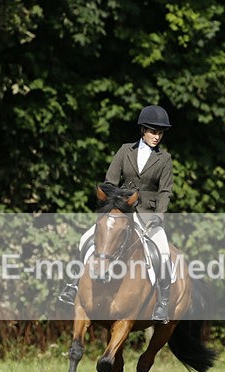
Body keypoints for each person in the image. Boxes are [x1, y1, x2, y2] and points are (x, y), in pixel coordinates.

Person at [59, 104, 174, 323]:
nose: (157, 136)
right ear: (143, 130)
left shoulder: (164, 159)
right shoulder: (124, 151)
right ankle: (72, 285)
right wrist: (112, 207)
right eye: (153, 131)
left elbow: (165, 191)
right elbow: (110, 182)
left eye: (160, 133)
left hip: (148, 215)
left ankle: (163, 303)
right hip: (120, 212)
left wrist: (159, 216)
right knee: (85, 238)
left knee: (162, 251)